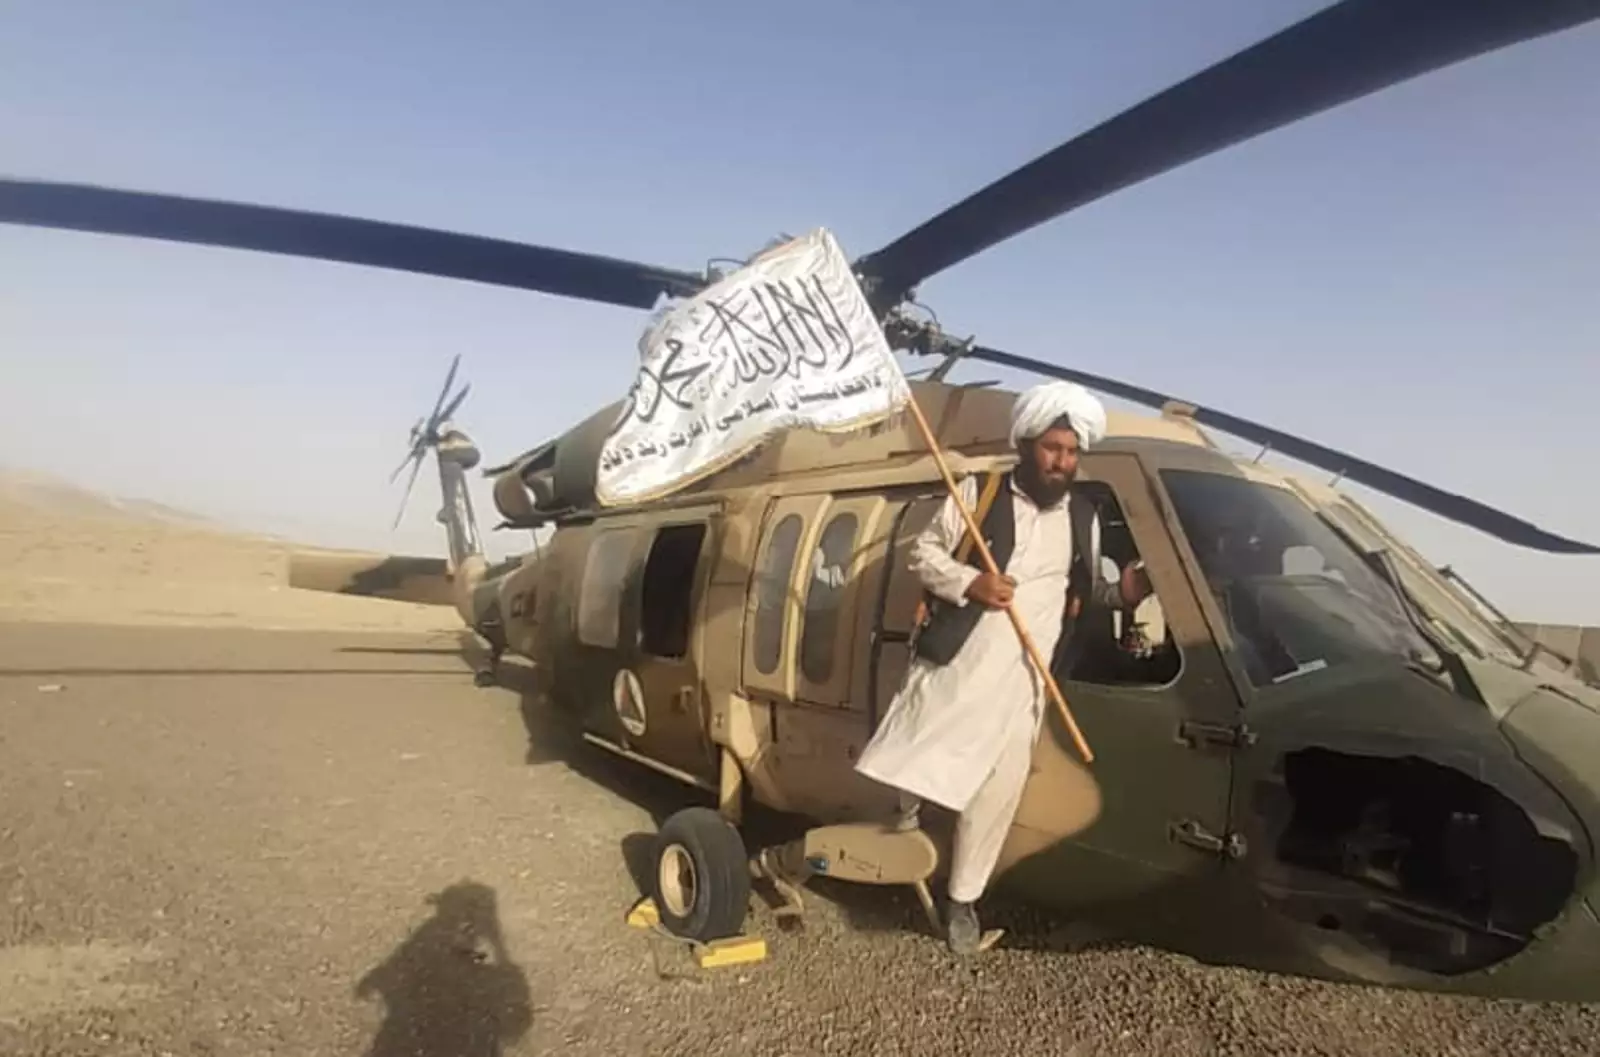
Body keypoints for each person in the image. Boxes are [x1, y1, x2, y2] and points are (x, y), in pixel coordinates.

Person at [854, 379, 1153, 955]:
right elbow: (923, 555)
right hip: (960, 667)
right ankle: (896, 835)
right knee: (915, 758)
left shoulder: (1084, 516)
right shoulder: (979, 492)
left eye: (1071, 452)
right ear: (1027, 444)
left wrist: (1125, 594)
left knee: (995, 796)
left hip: (1027, 682)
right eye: (1052, 448)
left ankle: (961, 901)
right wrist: (972, 582)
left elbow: (1083, 592)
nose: (1061, 462)